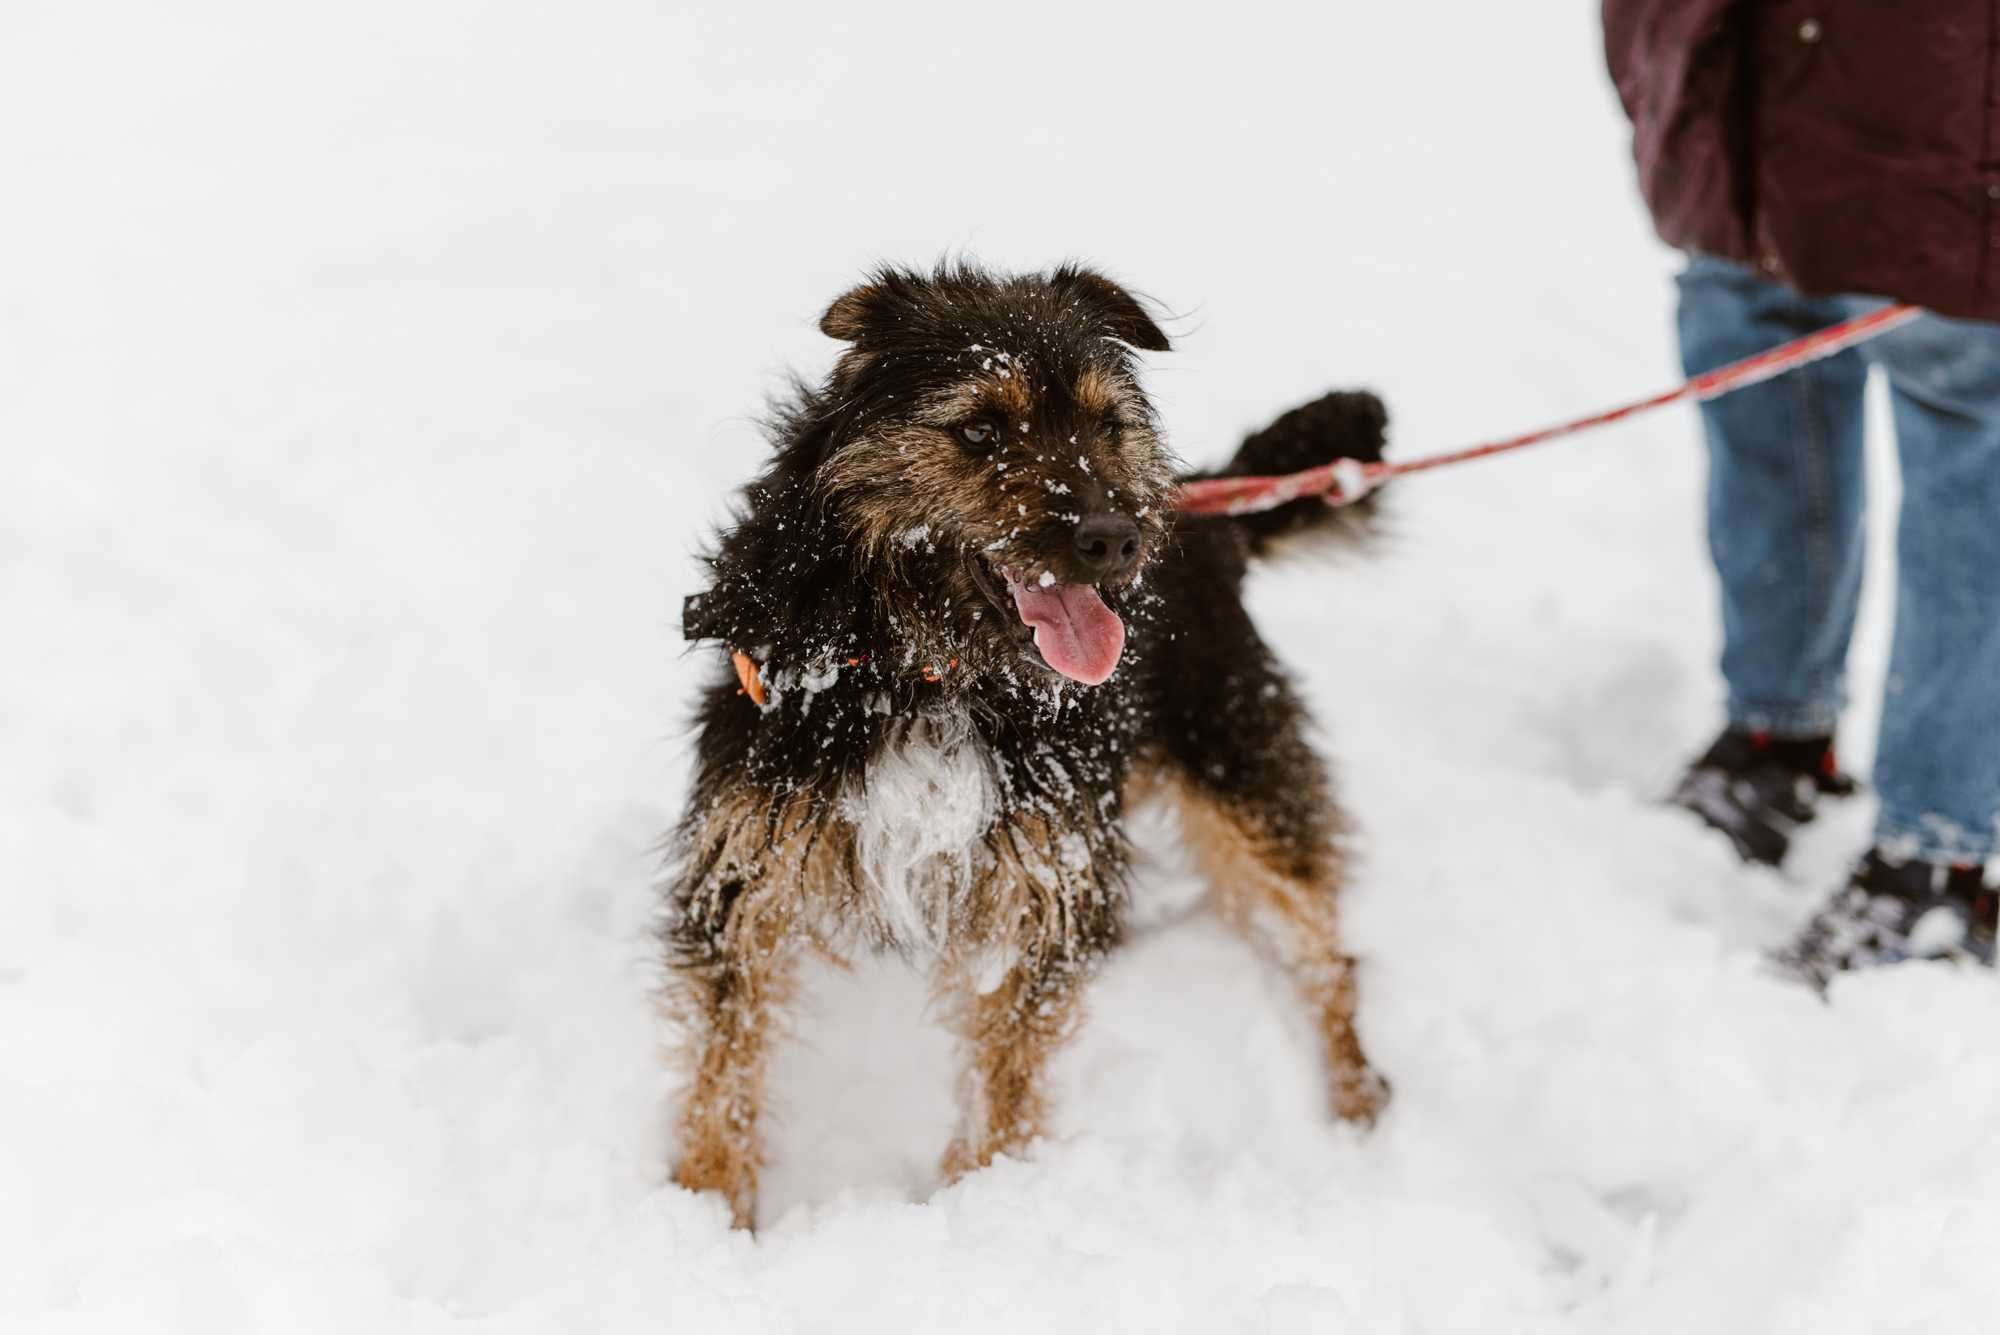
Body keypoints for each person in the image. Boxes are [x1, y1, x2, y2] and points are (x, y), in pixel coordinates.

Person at [1603, 2, 1999, 985]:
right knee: (1747, 336)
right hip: (1723, 63)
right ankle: (1777, 735)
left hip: (1932, 79)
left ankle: (1937, 857)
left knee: (1965, 410)